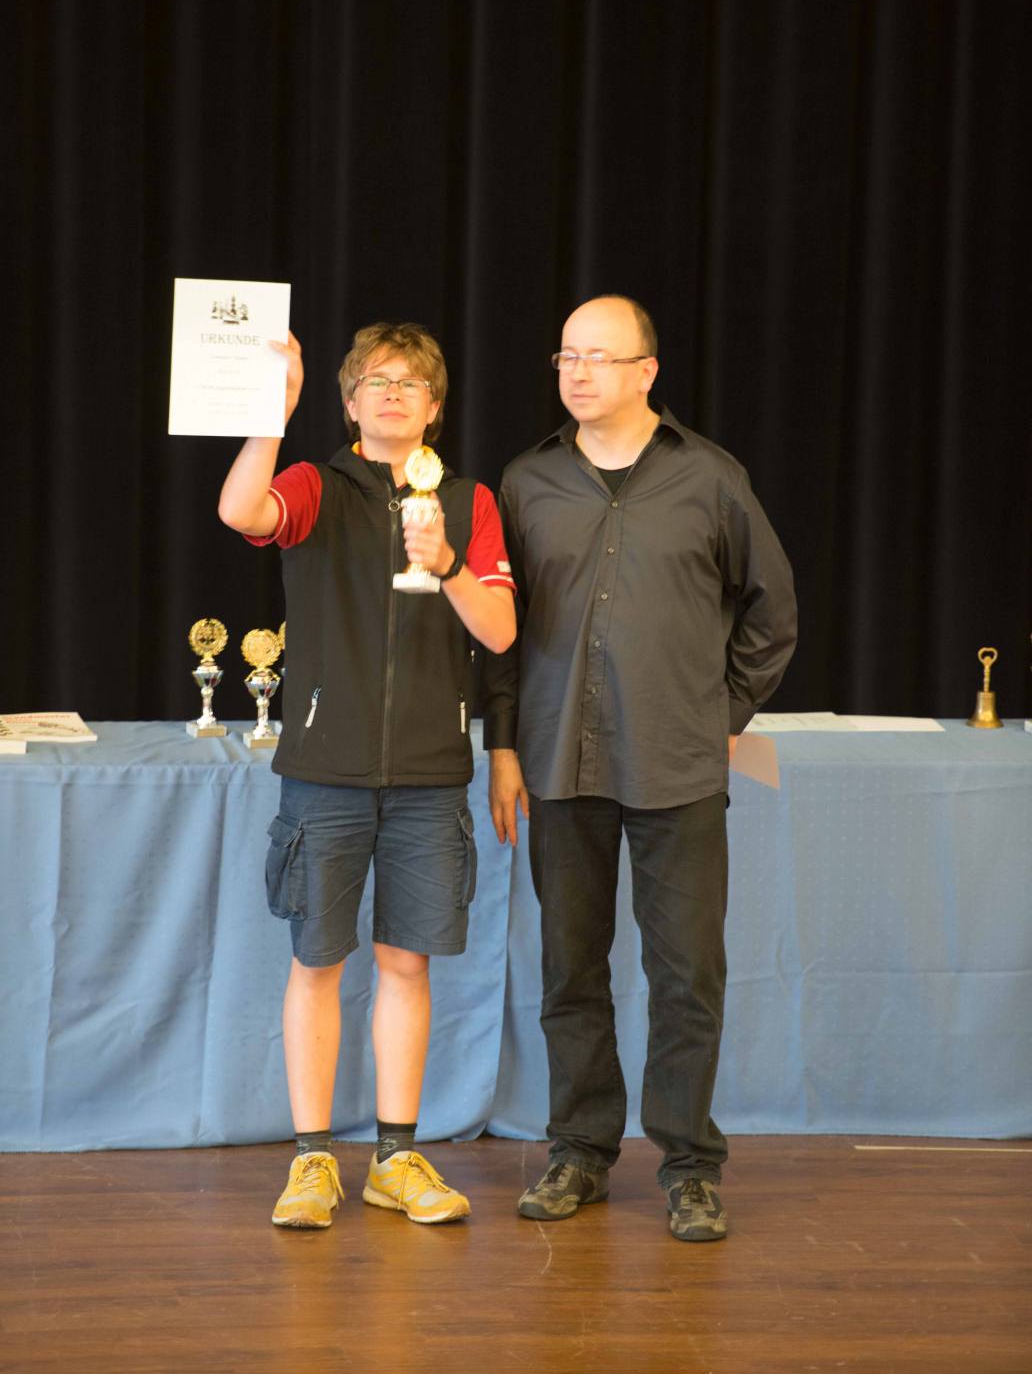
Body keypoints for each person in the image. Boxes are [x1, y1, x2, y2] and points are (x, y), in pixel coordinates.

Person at [485, 295, 796, 1242]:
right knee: (569, 971)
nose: (578, 373)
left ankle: (690, 1168)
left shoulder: (711, 477)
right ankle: (579, 1152)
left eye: (599, 357)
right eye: (566, 356)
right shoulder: (527, 480)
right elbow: (497, 633)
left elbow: (772, 612)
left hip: (678, 766)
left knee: (686, 975)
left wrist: (718, 715)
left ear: (646, 371)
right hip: (558, 762)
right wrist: (503, 745)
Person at [219, 322, 516, 1229]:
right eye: (375, 382)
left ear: (435, 406)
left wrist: (447, 563)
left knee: (405, 964)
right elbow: (241, 511)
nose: (393, 394)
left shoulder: (468, 501)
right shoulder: (317, 486)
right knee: (316, 962)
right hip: (326, 771)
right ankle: (313, 1160)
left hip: (429, 775)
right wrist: (270, 418)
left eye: (410, 383)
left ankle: (395, 1156)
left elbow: (500, 631)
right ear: (349, 403)